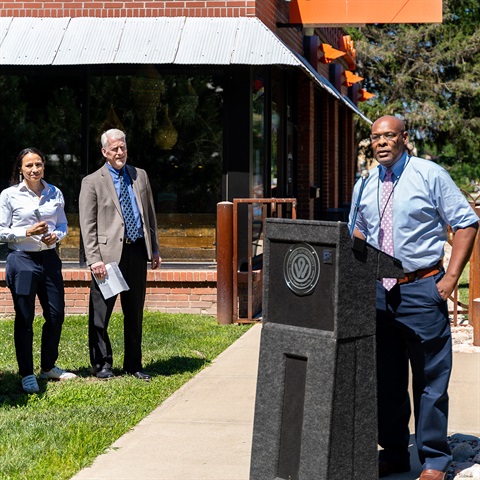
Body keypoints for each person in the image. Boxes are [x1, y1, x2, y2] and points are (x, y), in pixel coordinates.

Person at [348, 115, 479, 480]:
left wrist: (450, 278)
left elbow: (466, 222)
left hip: (421, 288)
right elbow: (357, 231)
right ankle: (393, 452)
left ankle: (434, 460)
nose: (382, 143)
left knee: (430, 379)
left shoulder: (429, 174)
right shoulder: (365, 183)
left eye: (389, 136)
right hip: (378, 293)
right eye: (376, 137)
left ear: (404, 138)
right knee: (386, 379)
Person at [79, 128, 161, 381]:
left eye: (122, 147)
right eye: (114, 148)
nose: (119, 152)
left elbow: (149, 214)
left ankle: (133, 364)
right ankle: (102, 364)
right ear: (104, 152)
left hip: (136, 251)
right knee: (101, 312)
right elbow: (87, 224)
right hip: (108, 256)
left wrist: (155, 248)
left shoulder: (140, 176)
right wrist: (94, 260)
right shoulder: (92, 181)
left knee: (134, 311)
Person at [0, 148, 77, 394]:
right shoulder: (9, 195)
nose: (34, 170)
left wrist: (57, 235)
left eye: (38, 164)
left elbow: (63, 223)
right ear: (20, 169)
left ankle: (47, 367)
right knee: (25, 318)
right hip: (21, 259)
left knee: (56, 315)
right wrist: (27, 233)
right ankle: (26, 373)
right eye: (29, 166)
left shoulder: (54, 192)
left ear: (44, 166)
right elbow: (1, 231)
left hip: (49, 259)